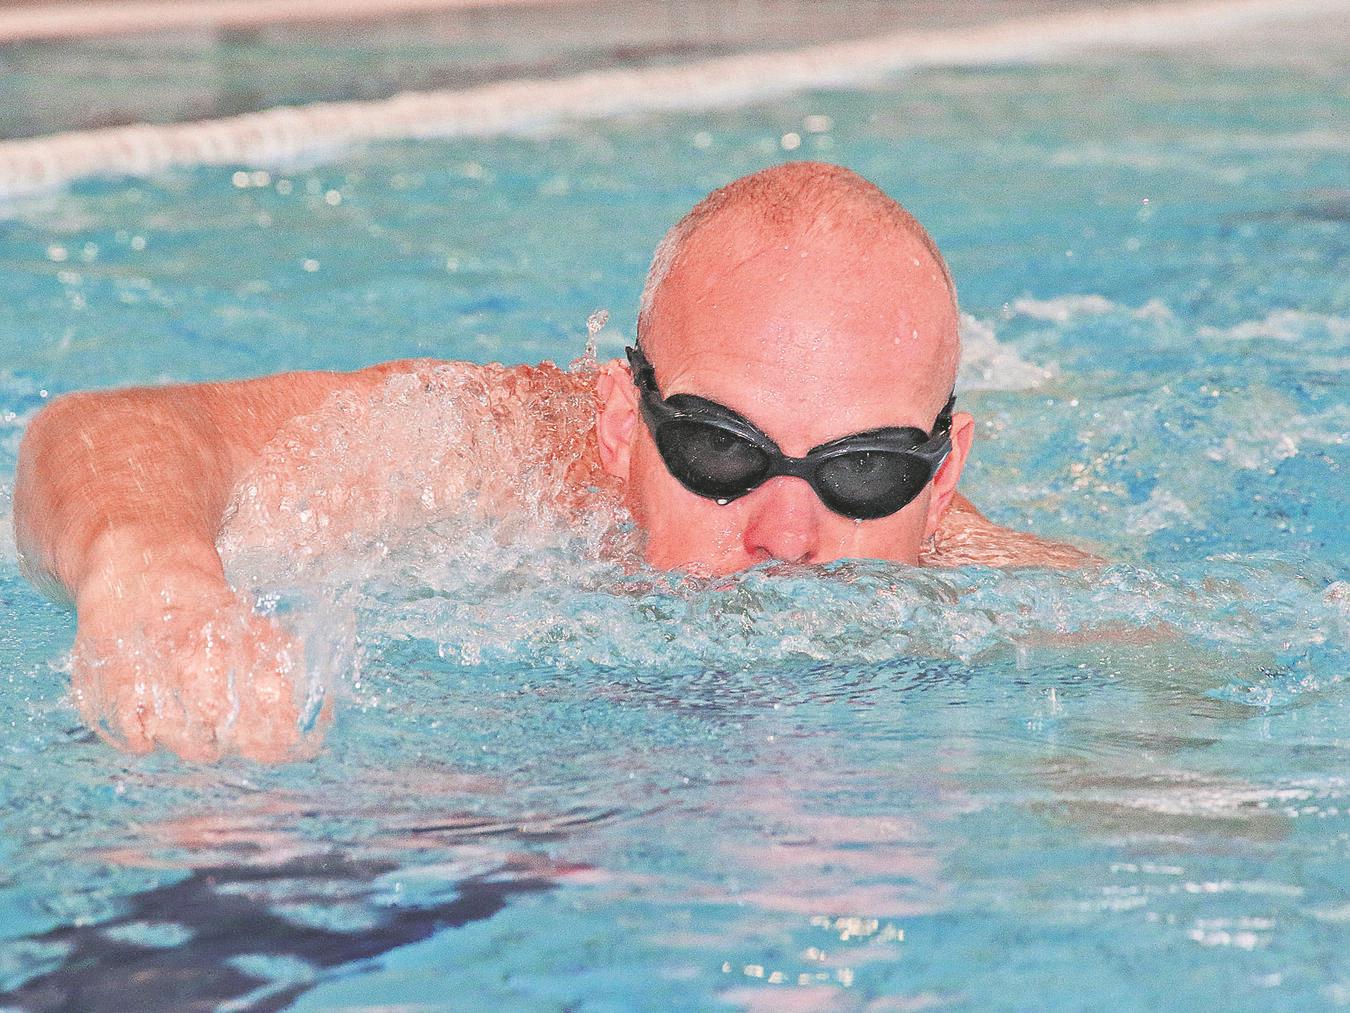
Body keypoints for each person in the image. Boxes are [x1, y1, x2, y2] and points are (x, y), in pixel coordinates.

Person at [13, 162, 1089, 762]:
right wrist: (147, 563)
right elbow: (111, 428)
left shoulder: (1013, 586)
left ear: (940, 478)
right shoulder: (504, 455)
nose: (785, 538)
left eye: (864, 471)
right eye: (721, 447)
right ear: (624, 424)